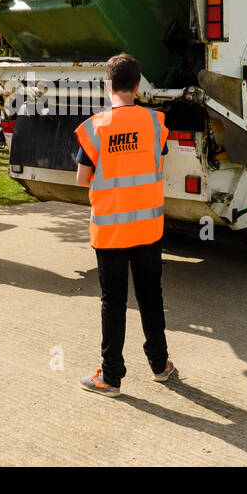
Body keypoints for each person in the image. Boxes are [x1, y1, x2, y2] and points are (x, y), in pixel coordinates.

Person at [72, 53, 176, 397]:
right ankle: (160, 365)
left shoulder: (96, 127)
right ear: (138, 84)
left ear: (107, 84)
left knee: (113, 302)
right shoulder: (156, 123)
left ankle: (111, 377)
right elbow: (157, 163)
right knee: (151, 296)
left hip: (111, 230)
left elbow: (81, 178)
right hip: (147, 228)